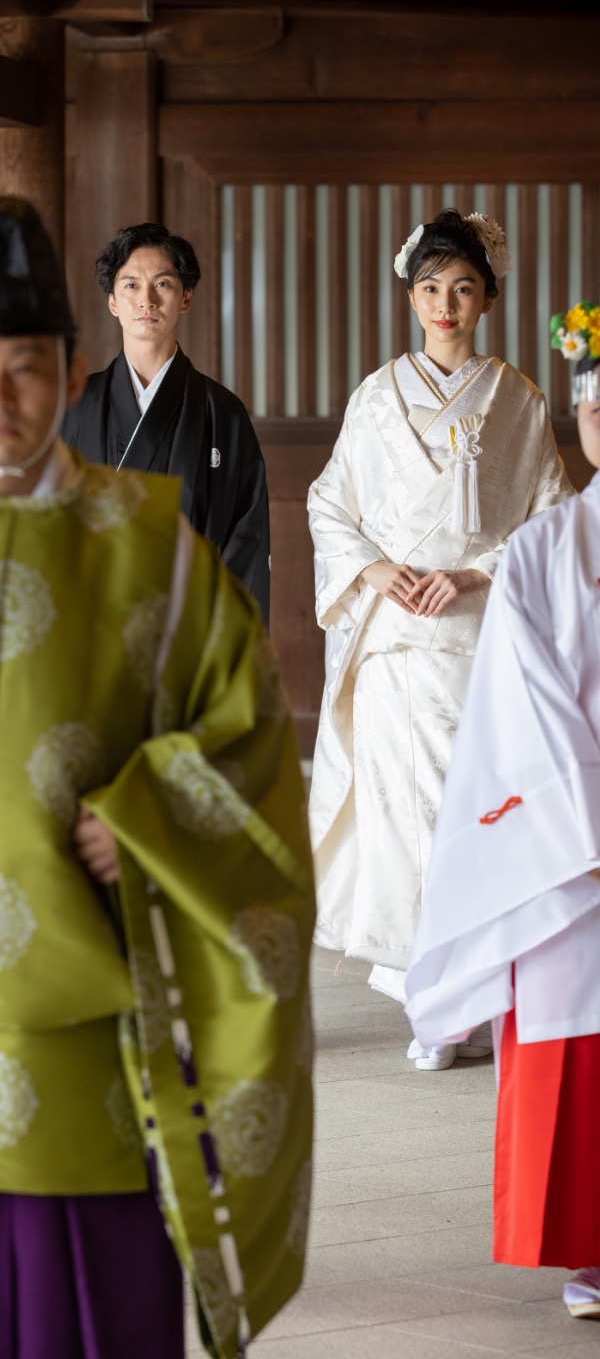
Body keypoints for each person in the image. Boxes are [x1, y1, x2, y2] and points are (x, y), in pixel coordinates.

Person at [0, 196, 314, 1359]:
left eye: (25, 369)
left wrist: (150, 809)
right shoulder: (96, 415)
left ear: (62, 368)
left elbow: (241, 727)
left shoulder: (149, 541)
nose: (5, 399)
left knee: (100, 1295)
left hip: (97, 992)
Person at [308, 209, 574, 1069]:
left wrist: (470, 573)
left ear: (489, 298)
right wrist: (378, 572)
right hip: (393, 639)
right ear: (411, 296)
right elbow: (329, 503)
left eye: (463, 288)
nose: (445, 304)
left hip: (480, 630)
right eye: (430, 288)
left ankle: (484, 984)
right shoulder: (375, 397)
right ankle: (434, 998)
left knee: (483, 812)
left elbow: (550, 517)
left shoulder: (520, 398)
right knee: (403, 818)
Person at [405, 309, 600, 1315]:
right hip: (576, 851)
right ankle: (590, 1249)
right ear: (582, 422)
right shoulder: (543, 549)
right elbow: (521, 699)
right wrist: (590, 824)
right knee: (578, 1040)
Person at [61, 221, 270, 625]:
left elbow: (248, 536)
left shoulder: (222, 411)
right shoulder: (75, 406)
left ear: (186, 298)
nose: (147, 301)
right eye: (131, 286)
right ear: (112, 302)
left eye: (163, 284)